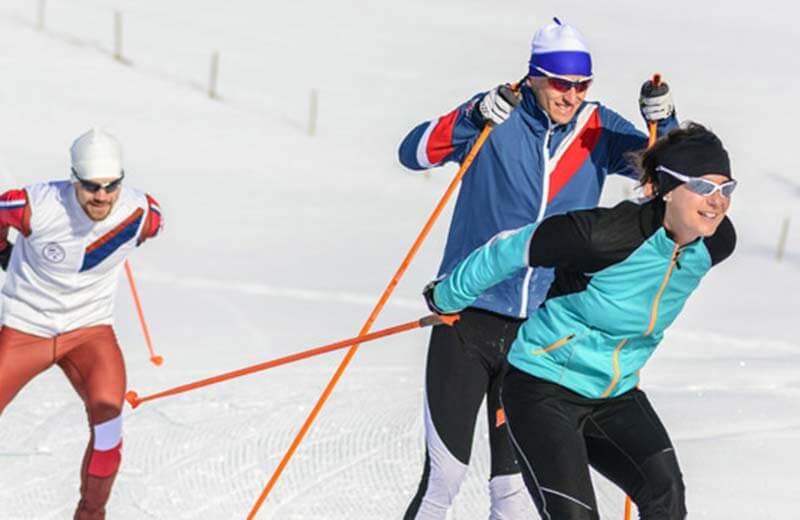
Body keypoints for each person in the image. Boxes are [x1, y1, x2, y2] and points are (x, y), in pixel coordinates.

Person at [399, 17, 678, 519]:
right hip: (467, 320)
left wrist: (668, 123)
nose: (571, 96)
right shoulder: (495, 119)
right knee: (444, 477)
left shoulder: (598, 129)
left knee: (511, 491)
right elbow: (413, 152)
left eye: (581, 85)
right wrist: (470, 117)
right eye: (561, 84)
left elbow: (667, 179)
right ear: (533, 77)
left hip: (542, 338)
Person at [424, 123, 737, 519]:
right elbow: (510, 249)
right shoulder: (602, 236)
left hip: (613, 394)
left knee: (666, 494)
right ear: (669, 188)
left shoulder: (716, 242)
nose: (717, 202)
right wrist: (448, 295)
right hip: (543, 390)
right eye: (705, 187)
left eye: (726, 189)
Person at [0, 128, 163, 519]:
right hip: (26, 328)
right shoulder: (33, 205)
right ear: (74, 178)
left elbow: (148, 229)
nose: (102, 196)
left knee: (109, 433)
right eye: (91, 187)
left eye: (111, 186)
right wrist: (4, 253)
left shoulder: (143, 215)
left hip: (90, 333)